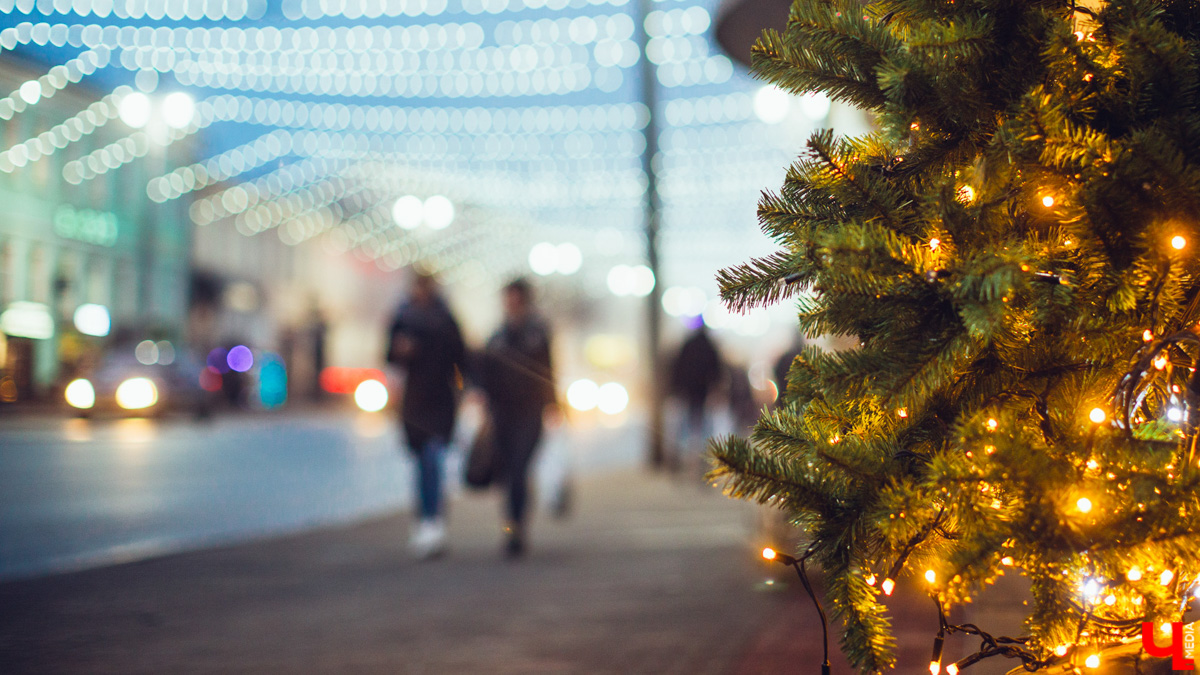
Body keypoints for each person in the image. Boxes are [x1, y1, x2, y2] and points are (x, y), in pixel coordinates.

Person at [386, 273, 466, 559]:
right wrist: (401, 351)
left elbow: (461, 358)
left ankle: (432, 520)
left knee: (432, 460)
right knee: (421, 463)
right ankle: (425, 519)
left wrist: (467, 389)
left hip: (440, 400)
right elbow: (388, 355)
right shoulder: (403, 318)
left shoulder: (445, 319)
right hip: (414, 402)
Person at [478, 278, 557, 558]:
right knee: (509, 472)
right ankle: (511, 525)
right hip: (502, 413)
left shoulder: (537, 333)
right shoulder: (497, 335)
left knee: (519, 468)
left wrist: (553, 405)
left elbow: (548, 369)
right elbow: (485, 372)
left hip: (530, 412)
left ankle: (517, 526)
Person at [668, 323, 725, 474]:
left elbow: (678, 367)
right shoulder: (710, 346)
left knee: (684, 425)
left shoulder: (688, 345)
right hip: (703, 392)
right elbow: (717, 371)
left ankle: (678, 456)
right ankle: (704, 458)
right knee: (704, 426)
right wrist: (716, 389)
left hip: (687, 392)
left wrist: (676, 388)